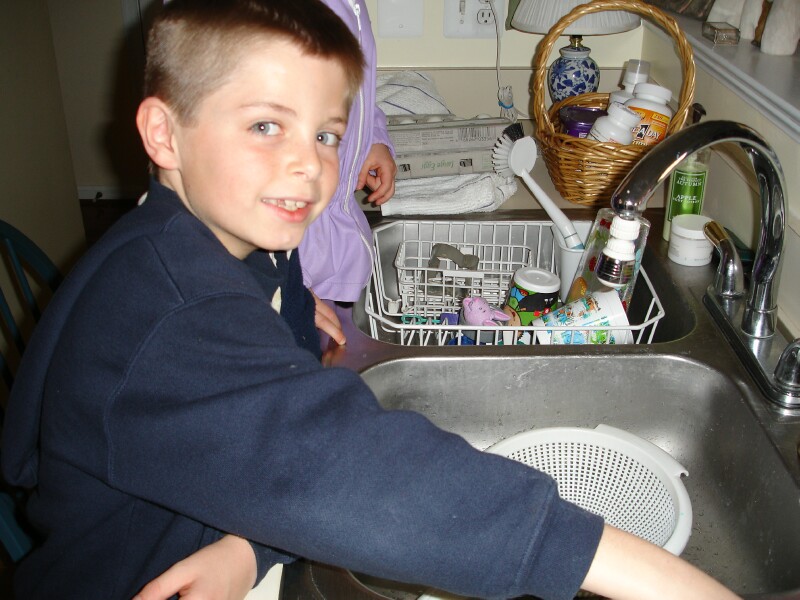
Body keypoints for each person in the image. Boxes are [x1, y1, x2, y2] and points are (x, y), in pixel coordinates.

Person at [0, 2, 738, 599]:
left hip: (204, 538)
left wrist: (248, 548)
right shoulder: (170, 313)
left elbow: (274, 444)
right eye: (266, 125)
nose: (308, 164)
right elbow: (350, 475)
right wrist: (657, 580)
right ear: (164, 133)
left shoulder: (244, 242)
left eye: (327, 134)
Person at [302, 0, 396, 348]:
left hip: (324, 243)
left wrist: (371, 137)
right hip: (288, 251)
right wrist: (275, 283)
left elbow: (356, 92)